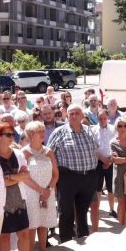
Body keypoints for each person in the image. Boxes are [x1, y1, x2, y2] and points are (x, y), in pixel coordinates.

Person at [47, 104, 98, 243]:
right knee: (66, 211)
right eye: (71, 113)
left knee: (83, 211)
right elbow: (49, 155)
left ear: (82, 115)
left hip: (88, 176)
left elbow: (95, 150)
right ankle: (66, 240)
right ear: (67, 116)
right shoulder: (58, 132)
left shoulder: (89, 130)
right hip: (67, 177)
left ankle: (83, 237)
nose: (74, 116)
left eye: (77, 113)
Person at [0, 122, 31, 251]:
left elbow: (26, 175)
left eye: (13, 134)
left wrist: (10, 177)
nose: (12, 137)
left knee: (24, 233)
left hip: (19, 200)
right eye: (8, 134)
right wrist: (16, 177)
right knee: (5, 237)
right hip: (0, 202)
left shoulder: (18, 154)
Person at [21, 121, 58, 251]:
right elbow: (23, 177)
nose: (43, 133)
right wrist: (40, 190)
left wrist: (48, 189)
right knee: (32, 225)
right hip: (31, 193)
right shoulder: (23, 153)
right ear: (30, 134)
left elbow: (56, 174)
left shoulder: (49, 151)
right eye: (39, 131)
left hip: (47, 192)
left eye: (43, 130)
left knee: (43, 224)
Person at [91, 110, 117, 227]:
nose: (102, 121)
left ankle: (112, 209)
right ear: (97, 119)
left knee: (111, 187)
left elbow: (116, 145)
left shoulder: (113, 129)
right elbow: (93, 148)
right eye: (100, 118)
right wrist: (103, 160)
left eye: (104, 118)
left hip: (111, 161)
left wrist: (110, 160)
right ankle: (98, 209)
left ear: (108, 118)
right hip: (98, 162)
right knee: (98, 187)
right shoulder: (93, 130)